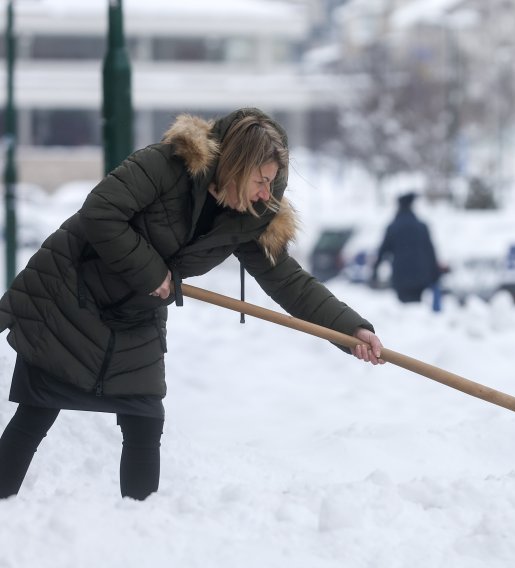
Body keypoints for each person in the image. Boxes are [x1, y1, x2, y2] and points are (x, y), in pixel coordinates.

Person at [0, 108, 384, 500]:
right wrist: (152, 273)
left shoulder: (249, 217)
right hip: (70, 293)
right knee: (38, 409)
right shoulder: (168, 164)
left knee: (145, 419)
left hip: (136, 314)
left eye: (271, 183)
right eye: (261, 180)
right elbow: (101, 211)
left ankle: (142, 529)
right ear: (237, 164)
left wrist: (350, 329)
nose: (266, 193)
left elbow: (288, 281)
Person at [372, 192, 441, 306]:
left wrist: (374, 271)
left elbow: (383, 251)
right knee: (416, 308)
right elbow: (430, 252)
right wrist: (435, 276)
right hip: (420, 275)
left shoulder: (393, 227)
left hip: (400, 275)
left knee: (403, 309)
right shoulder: (421, 226)